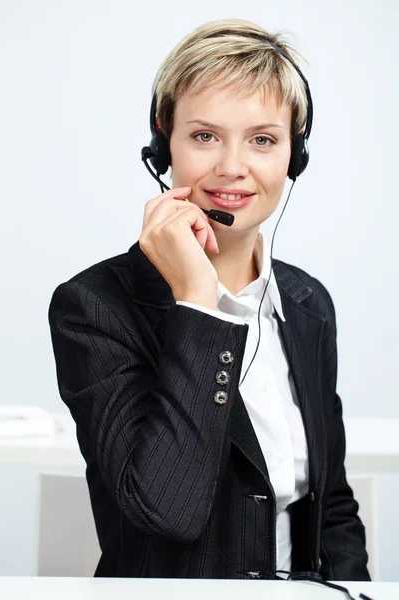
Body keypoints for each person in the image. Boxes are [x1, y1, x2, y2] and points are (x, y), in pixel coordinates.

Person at [48, 18, 370, 580]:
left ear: (295, 154)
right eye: (204, 136)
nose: (232, 167)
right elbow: (166, 509)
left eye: (263, 140)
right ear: (162, 141)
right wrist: (198, 303)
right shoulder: (94, 307)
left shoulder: (307, 302)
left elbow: (333, 506)